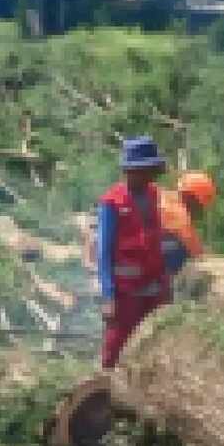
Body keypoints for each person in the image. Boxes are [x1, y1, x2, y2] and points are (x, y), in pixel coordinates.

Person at [96, 136, 169, 369]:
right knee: (117, 343)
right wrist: (108, 297)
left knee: (155, 341)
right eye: (144, 171)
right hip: (125, 291)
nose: (149, 176)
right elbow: (103, 252)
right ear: (131, 171)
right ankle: (105, 384)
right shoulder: (111, 202)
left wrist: (165, 282)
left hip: (154, 284)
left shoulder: (153, 194)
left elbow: (155, 239)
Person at [159, 171, 217, 278]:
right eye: (201, 206)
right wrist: (207, 258)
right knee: (182, 250)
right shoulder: (179, 214)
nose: (200, 211)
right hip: (149, 256)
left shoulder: (165, 197)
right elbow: (194, 248)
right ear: (193, 199)